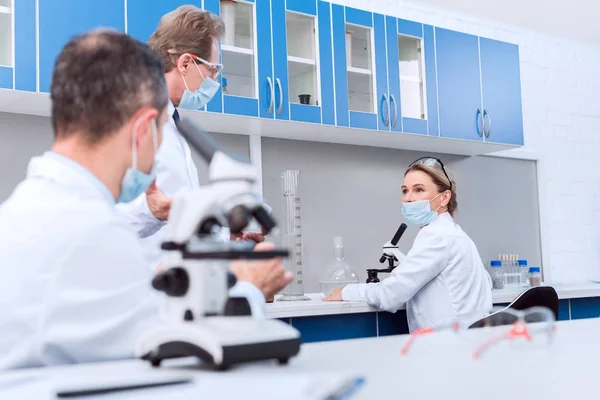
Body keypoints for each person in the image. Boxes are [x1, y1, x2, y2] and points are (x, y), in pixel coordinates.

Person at [0, 30, 291, 370]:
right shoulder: (87, 232)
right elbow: (181, 340)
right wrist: (250, 287)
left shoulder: (32, 208)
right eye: (162, 128)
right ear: (143, 131)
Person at [116, 6, 264, 271]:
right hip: (144, 287)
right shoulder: (133, 120)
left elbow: (176, 218)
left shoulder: (173, 124)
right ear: (185, 63)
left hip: (178, 285)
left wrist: (222, 237)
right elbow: (105, 219)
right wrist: (153, 212)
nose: (215, 79)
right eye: (212, 69)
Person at [323, 157, 493, 332]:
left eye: (419, 190)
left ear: (444, 197)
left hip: (446, 347)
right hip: (468, 343)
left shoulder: (435, 235)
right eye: (405, 191)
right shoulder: (456, 234)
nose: (408, 198)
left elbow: (391, 295)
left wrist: (345, 291)